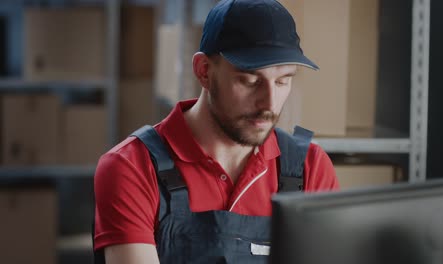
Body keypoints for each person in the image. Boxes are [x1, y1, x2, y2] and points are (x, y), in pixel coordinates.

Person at [93, 0, 339, 263]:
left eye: (283, 81)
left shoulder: (309, 167)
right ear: (204, 71)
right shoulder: (133, 167)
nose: (269, 103)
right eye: (250, 80)